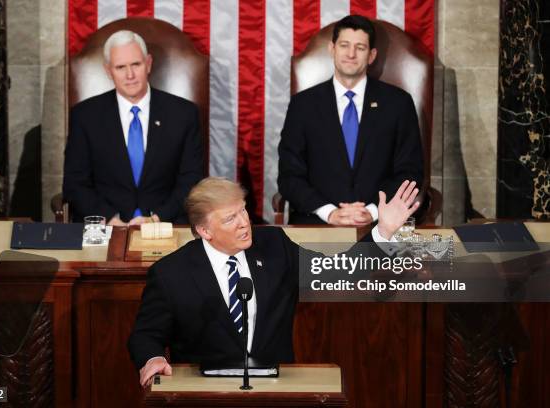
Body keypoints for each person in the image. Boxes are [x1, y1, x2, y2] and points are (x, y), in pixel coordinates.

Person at [128, 176, 420, 387]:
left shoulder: (274, 246)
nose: (244, 222)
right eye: (230, 218)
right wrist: (152, 358)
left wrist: (382, 231)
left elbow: (336, 271)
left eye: (243, 210)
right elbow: (145, 335)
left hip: (275, 388)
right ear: (205, 230)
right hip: (205, 391)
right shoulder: (171, 273)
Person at [278, 15, 423, 226]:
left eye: (360, 47)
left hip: (381, 224)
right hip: (317, 224)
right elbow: (289, 176)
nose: (351, 54)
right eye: (344, 45)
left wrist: (374, 211)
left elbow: (410, 172)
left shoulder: (398, 103)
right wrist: (329, 213)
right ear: (332, 49)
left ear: (372, 55)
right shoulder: (303, 106)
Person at [63, 30, 203, 225]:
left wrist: (156, 218)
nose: (130, 75)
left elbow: (192, 180)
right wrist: (110, 219)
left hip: (165, 223)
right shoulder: (85, 116)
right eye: (120, 67)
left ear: (148, 64)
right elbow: (75, 183)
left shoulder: (183, 114)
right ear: (108, 71)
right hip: (106, 226)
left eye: (136, 64)